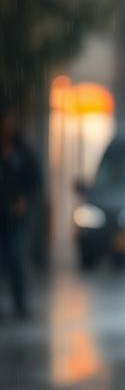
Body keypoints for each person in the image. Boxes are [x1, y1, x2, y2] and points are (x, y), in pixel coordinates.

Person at [0, 109, 42, 320]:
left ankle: (20, 304)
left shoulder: (22, 151)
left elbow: (35, 180)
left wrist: (24, 200)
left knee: (17, 256)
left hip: (16, 217)